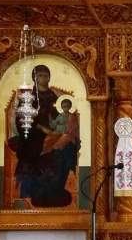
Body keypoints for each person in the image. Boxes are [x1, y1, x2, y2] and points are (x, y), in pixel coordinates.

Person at [8, 66, 79, 208]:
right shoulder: (28, 98)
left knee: (68, 147)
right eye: (40, 75)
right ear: (34, 78)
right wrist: (40, 128)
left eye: (46, 75)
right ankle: (32, 194)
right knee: (33, 151)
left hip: (53, 134)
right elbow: (22, 120)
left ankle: (55, 189)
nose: (43, 78)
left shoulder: (54, 98)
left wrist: (57, 130)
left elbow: (60, 117)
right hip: (33, 135)